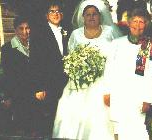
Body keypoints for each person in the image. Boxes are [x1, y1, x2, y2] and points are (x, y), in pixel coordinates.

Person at [52, 0, 122, 139]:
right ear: (82, 17)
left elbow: (119, 56)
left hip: (105, 82)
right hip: (80, 83)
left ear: (100, 16)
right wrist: (78, 67)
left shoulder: (110, 32)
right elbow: (71, 55)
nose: (91, 17)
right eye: (88, 14)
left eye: (94, 14)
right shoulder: (76, 34)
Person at [103, 8, 152, 140]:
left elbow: (150, 75)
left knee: (138, 130)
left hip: (137, 96)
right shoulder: (117, 43)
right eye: (135, 21)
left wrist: (148, 99)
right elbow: (108, 69)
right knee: (118, 130)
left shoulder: (148, 46)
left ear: (146, 25)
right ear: (128, 23)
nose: (137, 25)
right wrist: (107, 92)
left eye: (141, 22)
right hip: (118, 94)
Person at [29, 0, 69, 136]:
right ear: (46, 15)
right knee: (48, 121)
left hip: (66, 84)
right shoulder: (38, 34)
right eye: (52, 11)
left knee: (63, 119)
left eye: (58, 11)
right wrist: (38, 87)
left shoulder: (67, 32)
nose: (55, 14)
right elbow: (34, 62)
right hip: (47, 85)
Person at [1, 16, 32, 135]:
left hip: (35, 94)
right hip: (18, 95)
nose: (25, 31)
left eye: (27, 28)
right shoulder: (7, 49)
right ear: (15, 30)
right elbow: (7, 75)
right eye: (21, 28)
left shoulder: (36, 46)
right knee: (22, 131)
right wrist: (8, 96)